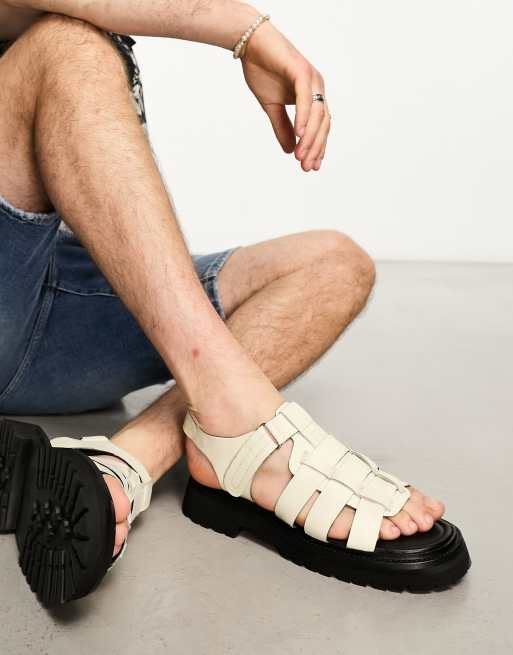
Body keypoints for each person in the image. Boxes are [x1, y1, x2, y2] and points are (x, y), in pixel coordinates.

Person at [0, 1, 470, 606]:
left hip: (45, 297)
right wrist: (247, 33)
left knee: (336, 264)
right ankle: (240, 422)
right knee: (66, 48)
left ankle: (128, 461)